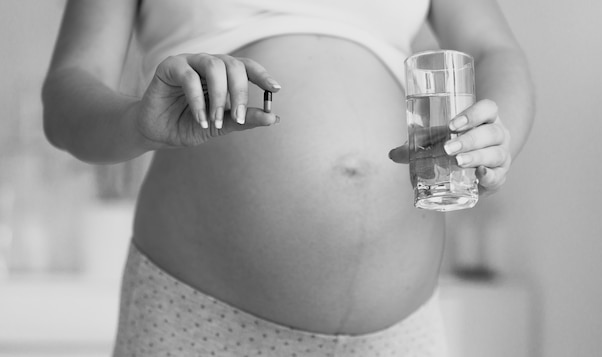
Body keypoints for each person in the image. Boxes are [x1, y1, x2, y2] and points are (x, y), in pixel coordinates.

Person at [42, 0, 534, 356]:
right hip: (203, 320)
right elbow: (67, 93)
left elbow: (493, 49)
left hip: (401, 332)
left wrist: (495, 138)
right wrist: (136, 122)